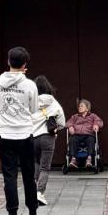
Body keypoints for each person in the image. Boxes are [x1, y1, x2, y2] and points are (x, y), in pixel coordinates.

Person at [0, 45, 40, 215]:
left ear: (8, 61)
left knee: (10, 176)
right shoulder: (30, 85)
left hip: (6, 134)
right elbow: (34, 109)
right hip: (25, 133)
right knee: (29, 175)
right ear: (25, 64)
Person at [31, 74, 65, 206]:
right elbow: (61, 122)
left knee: (35, 163)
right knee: (45, 167)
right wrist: (55, 129)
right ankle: (40, 193)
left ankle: (33, 190)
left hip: (33, 137)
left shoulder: (30, 103)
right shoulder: (54, 102)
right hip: (47, 137)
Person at [66, 98, 103, 169]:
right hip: (77, 135)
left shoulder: (93, 116)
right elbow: (68, 122)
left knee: (91, 140)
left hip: (88, 135)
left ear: (87, 108)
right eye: (79, 106)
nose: (79, 107)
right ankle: (73, 160)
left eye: (82, 106)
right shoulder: (75, 116)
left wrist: (96, 125)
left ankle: (89, 159)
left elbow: (100, 121)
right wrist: (70, 126)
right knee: (72, 140)